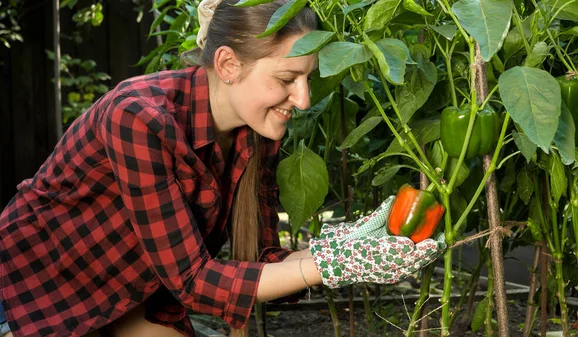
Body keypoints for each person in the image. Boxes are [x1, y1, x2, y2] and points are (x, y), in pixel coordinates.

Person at [0, 0, 445, 336]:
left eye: (308, 78)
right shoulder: (138, 117)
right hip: (34, 289)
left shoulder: (257, 131)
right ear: (228, 65)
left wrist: (349, 245)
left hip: (129, 289)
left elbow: (266, 259)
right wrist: (333, 265)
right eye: (287, 79)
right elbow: (194, 281)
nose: (305, 99)